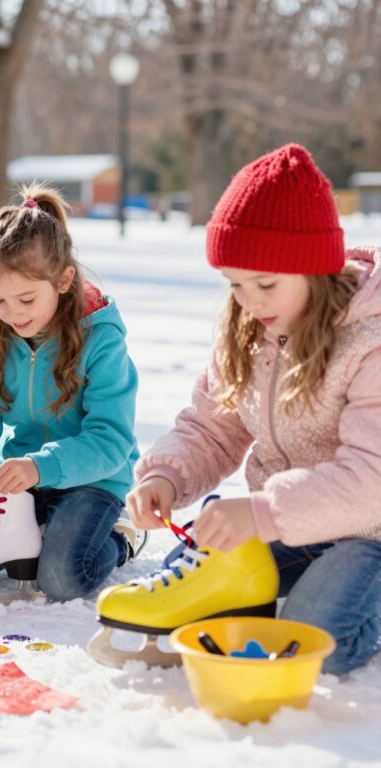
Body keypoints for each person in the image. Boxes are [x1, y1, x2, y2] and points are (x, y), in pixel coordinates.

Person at [127, 144, 381, 675]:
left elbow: (371, 478)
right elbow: (212, 427)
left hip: (371, 532)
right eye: (235, 285)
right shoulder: (250, 332)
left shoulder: (369, 341)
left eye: (265, 284)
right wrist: (167, 476)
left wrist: (264, 512)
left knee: (318, 635)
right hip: (291, 523)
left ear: (315, 269)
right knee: (193, 572)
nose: (250, 302)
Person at [0, 185, 142, 603]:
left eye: (26, 298)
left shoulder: (102, 340)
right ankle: (36, 530)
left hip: (94, 480)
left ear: (63, 280)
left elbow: (111, 441)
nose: (12, 313)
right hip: (21, 481)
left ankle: (118, 536)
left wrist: (42, 466)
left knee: (61, 577)